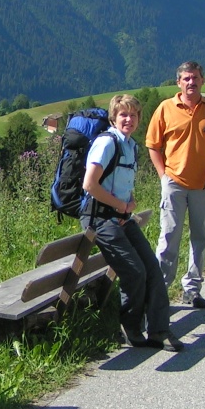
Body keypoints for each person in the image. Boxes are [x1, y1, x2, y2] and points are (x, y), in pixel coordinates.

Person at [82, 95, 183, 352]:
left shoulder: (131, 146)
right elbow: (89, 184)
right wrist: (119, 205)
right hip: (100, 218)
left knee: (152, 269)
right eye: (123, 115)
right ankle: (130, 327)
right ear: (113, 118)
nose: (129, 119)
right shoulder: (107, 143)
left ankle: (159, 331)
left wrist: (129, 201)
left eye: (134, 115)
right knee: (135, 271)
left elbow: (120, 180)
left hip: (121, 216)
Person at [146, 61, 205, 309]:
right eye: (186, 78)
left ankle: (192, 290)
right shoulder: (165, 108)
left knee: (200, 237)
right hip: (174, 183)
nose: (191, 82)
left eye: (195, 78)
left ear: (202, 81)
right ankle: (160, 292)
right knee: (169, 238)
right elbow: (153, 146)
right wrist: (163, 176)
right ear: (178, 82)